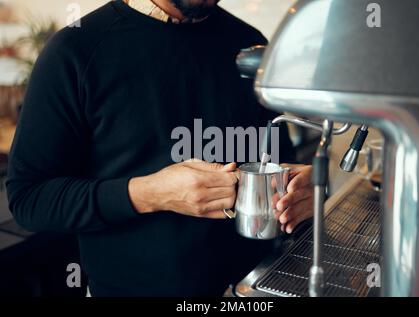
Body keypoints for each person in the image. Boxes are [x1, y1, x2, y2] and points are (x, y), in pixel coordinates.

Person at [6, 0, 313, 296]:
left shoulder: (250, 45)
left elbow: (277, 162)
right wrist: (151, 193)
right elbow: (29, 198)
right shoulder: (76, 50)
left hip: (252, 290)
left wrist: (302, 190)